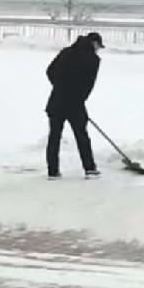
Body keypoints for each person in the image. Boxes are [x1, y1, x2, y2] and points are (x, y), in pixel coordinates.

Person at [45, 32, 104, 178]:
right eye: (98, 46)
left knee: (54, 136)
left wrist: (60, 88)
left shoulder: (66, 52)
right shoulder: (93, 60)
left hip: (57, 100)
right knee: (82, 136)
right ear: (94, 43)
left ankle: (53, 171)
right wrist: (78, 99)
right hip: (75, 104)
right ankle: (89, 168)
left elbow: (50, 71)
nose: (98, 49)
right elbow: (88, 85)